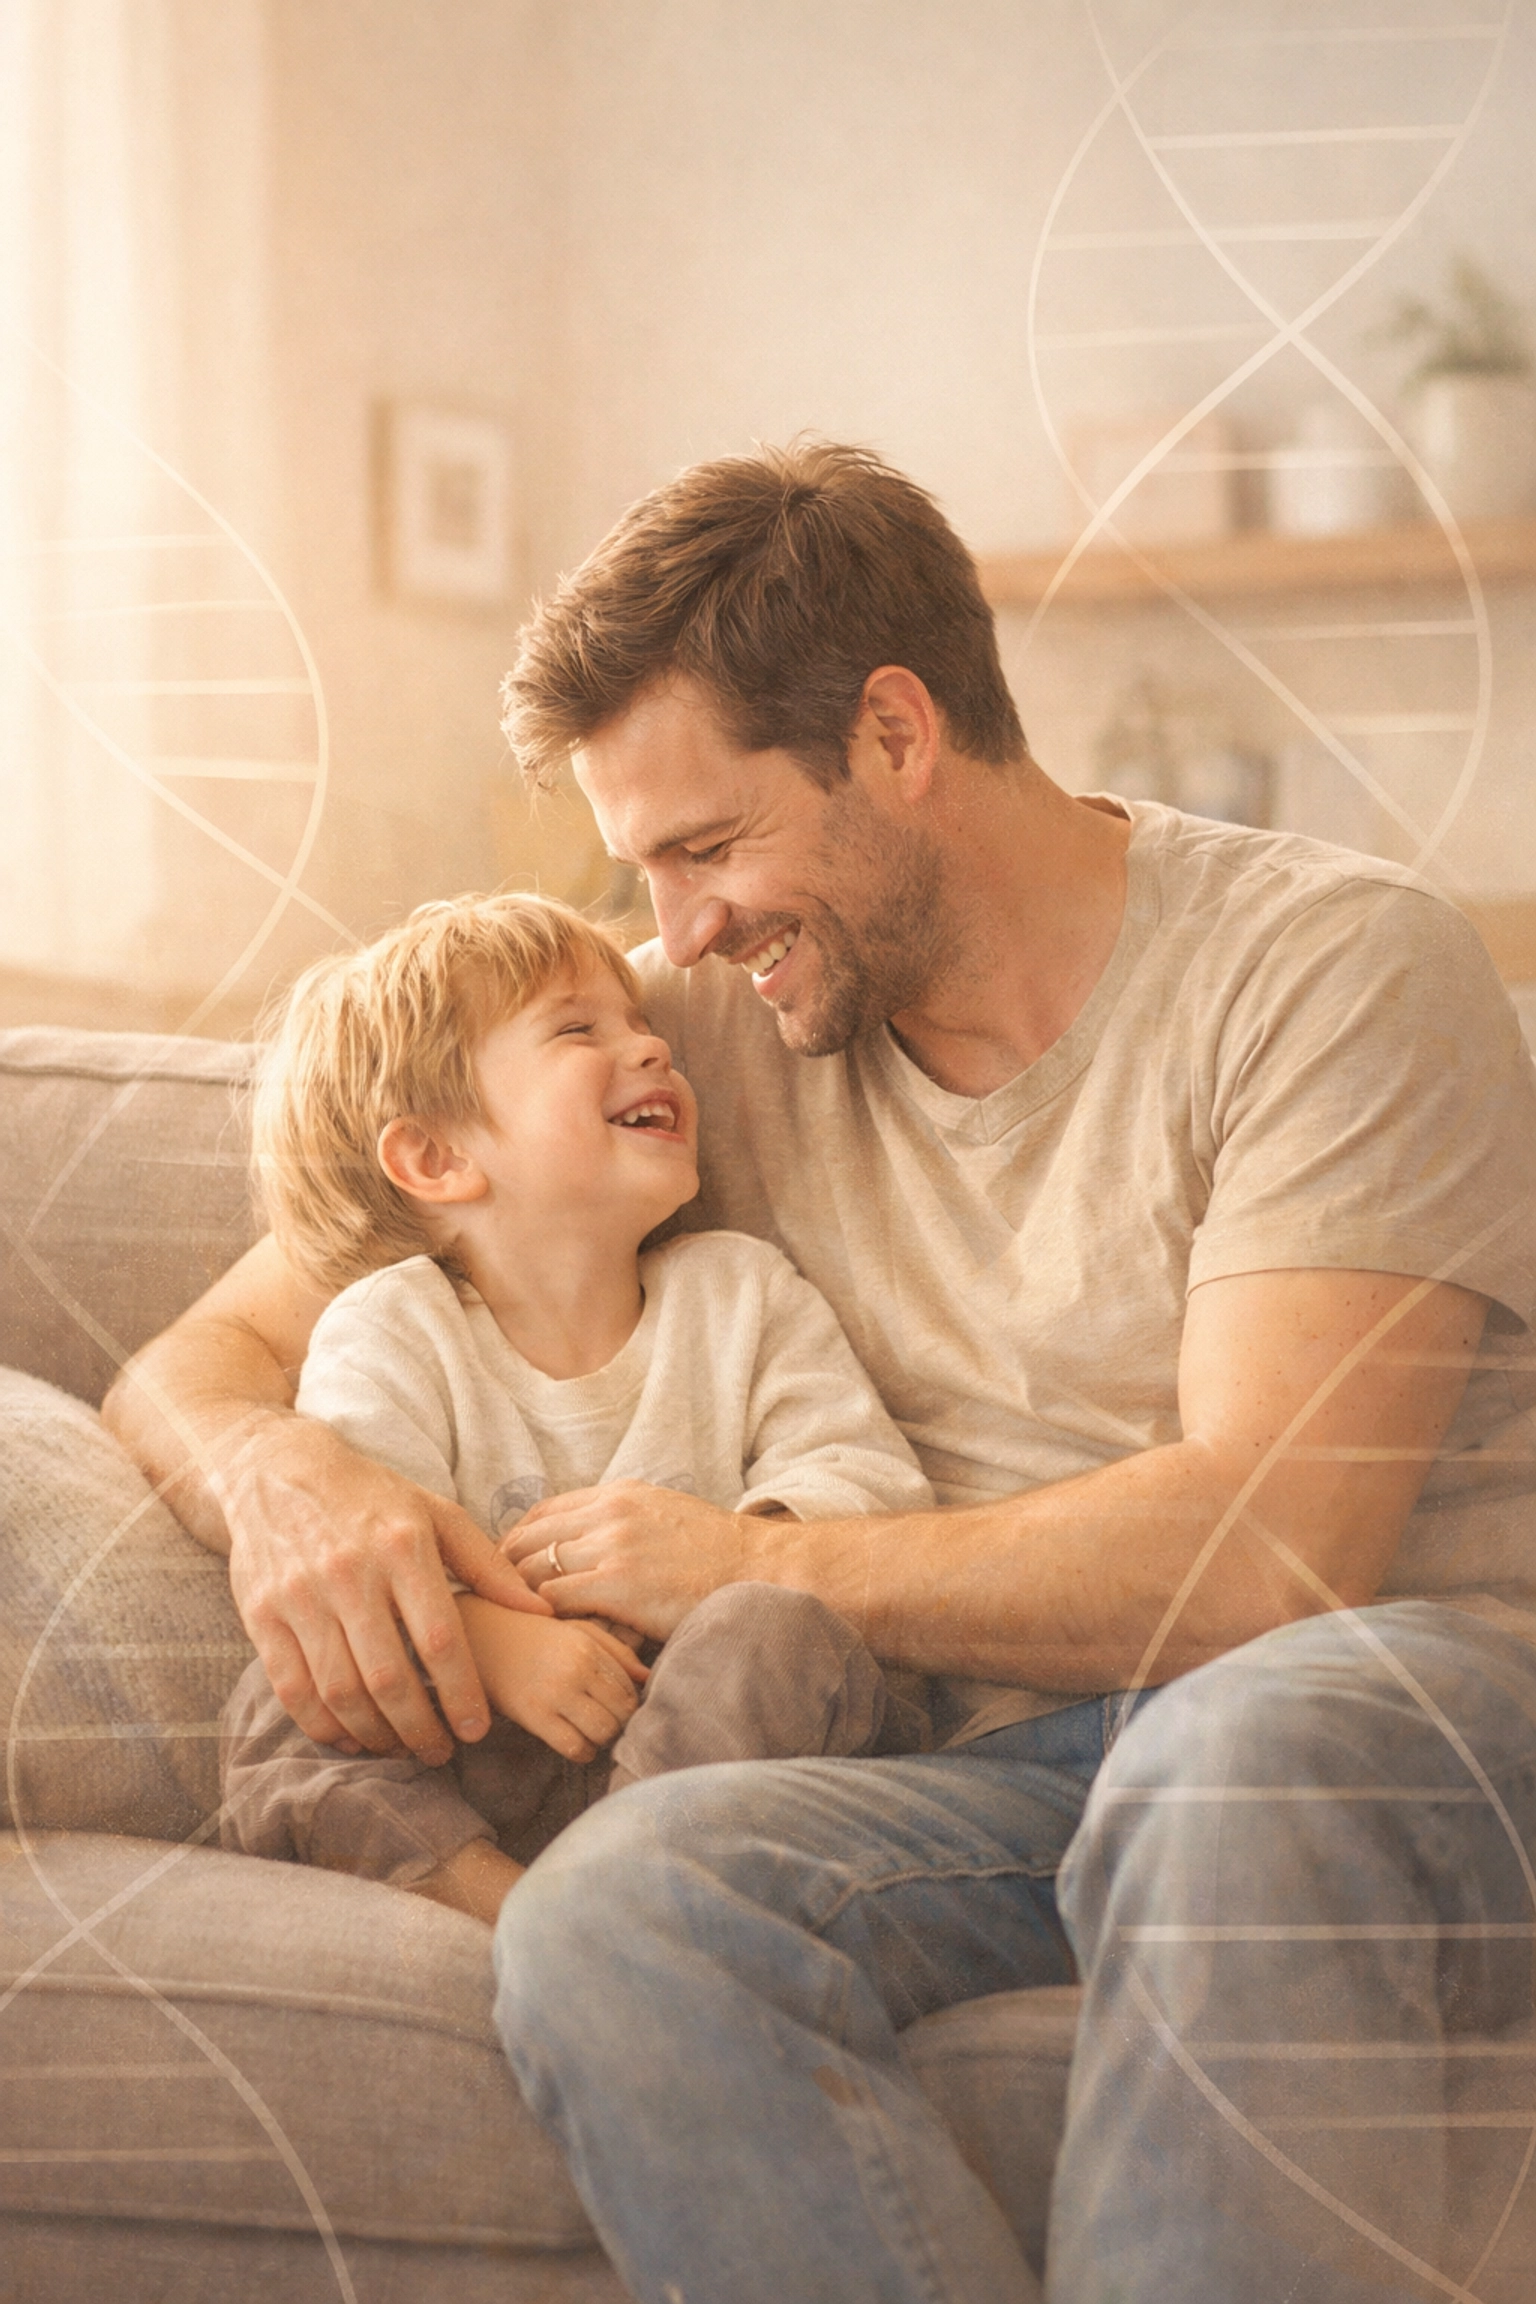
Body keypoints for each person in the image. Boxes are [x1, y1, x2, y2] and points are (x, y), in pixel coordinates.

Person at [106, 440, 1536, 2304]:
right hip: (996, 1769)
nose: (676, 929)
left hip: (1383, 1717)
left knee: (1236, 1759)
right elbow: (204, 1353)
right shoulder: (694, 1023)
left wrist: (751, 1563)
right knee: (619, 1906)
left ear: (894, 732)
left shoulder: (1329, 967)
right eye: (644, 870)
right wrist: (292, 1481)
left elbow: (1269, 1557)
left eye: (707, 847)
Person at [217, 890, 934, 1922]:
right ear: (436, 1158)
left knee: (774, 1635)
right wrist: (495, 1646)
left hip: (706, 1741)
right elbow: (372, 1561)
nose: (653, 1048)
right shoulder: (391, 1329)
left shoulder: (741, 1291)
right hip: (480, 1742)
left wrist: (727, 1559)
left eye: (639, 1022)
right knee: (286, 1698)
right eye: (578, 1031)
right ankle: (514, 1911)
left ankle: (609, 1908)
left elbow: (866, 1482)